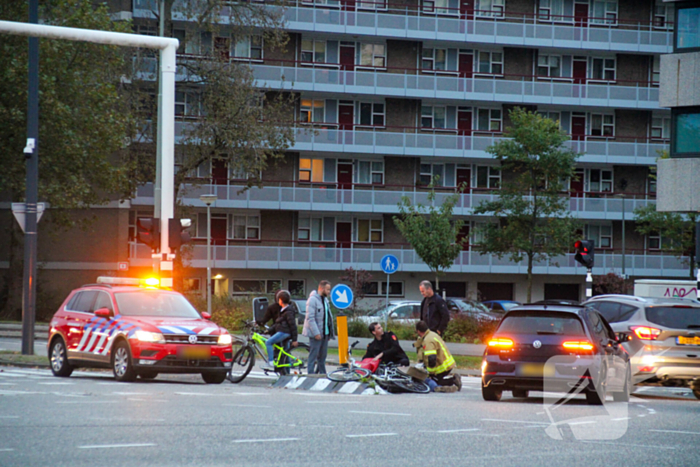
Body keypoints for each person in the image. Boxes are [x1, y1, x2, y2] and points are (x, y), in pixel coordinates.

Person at [415, 320, 461, 393]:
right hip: (446, 363)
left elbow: (431, 359)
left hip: (442, 366)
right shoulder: (431, 334)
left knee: (433, 381)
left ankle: (453, 381)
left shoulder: (428, 341)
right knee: (434, 380)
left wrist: (430, 374)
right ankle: (453, 380)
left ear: (418, 331)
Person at [302, 280, 335, 374]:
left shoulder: (325, 300)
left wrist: (328, 333)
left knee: (322, 356)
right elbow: (310, 318)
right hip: (316, 334)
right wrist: (316, 333)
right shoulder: (312, 300)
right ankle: (311, 374)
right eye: (328, 289)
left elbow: (327, 317)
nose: (329, 292)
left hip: (325, 333)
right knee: (313, 355)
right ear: (321, 288)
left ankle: (322, 374)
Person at [260, 290, 298, 371]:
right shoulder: (284, 310)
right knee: (285, 353)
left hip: (283, 332)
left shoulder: (288, 311)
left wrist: (295, 339)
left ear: (280, 300)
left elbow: (293, 325)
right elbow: (278, 323)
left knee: (268, 342)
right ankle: (285, 373)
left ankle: (270, 362)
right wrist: (269, 330)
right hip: (281, 331)